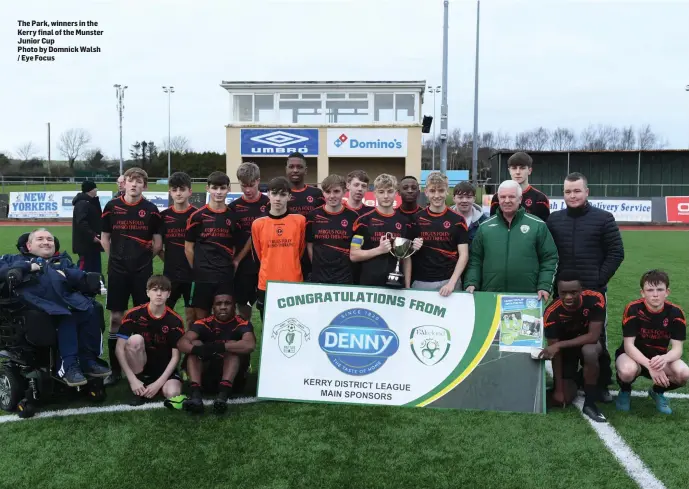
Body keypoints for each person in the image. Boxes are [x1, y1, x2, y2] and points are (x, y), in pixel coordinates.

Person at [547, 172, 624, 401]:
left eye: (577, 190)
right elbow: (548, 254)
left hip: (593, 294)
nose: (573, 195)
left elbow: (616, 253)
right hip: (563, 296)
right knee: (564, 335)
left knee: (597, 341)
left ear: (587, 192)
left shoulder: (604, 218)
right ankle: (565, 379)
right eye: (568, 191)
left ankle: (601, 384)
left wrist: (598, 280)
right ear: (563, 194)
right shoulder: (554, 220)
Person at [0, 228, 110, 386]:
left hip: (62, 303)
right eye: (40, 239)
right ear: (29, 246)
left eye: (49, 239)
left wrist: (86, 280)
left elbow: (80, 278)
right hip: (31, 307)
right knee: (66, 314)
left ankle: (87, 360)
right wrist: (24, 268)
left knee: (91, 309)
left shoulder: (63, 262)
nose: (46, 242)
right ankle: (68, 365)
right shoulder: (14, 259)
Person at [101, 167, 162, 386]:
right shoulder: (112, 207)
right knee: (116, 318)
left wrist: (142, 260)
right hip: (117, 271)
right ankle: (115, 369)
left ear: (144, 186)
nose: (134, 184)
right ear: (123, 183)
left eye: (138, 181)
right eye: (130, 180)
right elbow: (105, 238)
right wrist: (115, 259)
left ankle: (145, 367)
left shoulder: (151, 210)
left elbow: (157, 243)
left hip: (141, 273)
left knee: (142, 318)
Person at [464, 180, 558, 297]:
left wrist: (544, 285)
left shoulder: (538, 225)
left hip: (528, 297)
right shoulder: (485, 227)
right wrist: (472, 282)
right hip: (491, 296)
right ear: (498, 199)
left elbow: (549, 258)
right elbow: (475, 259)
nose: (507, 200)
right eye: (503, 197)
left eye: (511, 197)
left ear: (520, 199)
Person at [615, 270, 689, 415]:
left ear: (667, 292)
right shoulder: (633, 309)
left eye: (660, 289)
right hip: (632, 356)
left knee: (684, 374)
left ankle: (657, 391)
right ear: (642, 292)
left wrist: (663, 359)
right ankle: (625, 390)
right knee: (627, 371)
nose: (655, 294)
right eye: (650, 290)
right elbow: (628, 346)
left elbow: (677, 349)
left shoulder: (676, 313)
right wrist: (649, 365)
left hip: (659, 358)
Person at [539, 271, 607, 423]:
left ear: (581, 290)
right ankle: (579, 378)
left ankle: (590, 404)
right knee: (564, 398)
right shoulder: (551, 313)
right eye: (564, 293)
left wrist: (559, 344)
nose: (568, 297)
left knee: (589, 351)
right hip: (567, 353)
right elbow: (554, 352)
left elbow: (593, 336)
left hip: (592, 346)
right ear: (558, 291)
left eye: (573, 292)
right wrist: (558, 388)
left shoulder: (595, 299)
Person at [176, 289, 257, 414]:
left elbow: (250, 345)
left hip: (234, 383)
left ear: (234, 306)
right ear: (213, 307)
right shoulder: (203, 323)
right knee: (195, 344)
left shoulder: (242, 323)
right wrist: (198, 350)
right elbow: (182, 343)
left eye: (227, 303)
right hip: (206, 378)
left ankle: (222, 398)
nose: (223, 307)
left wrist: (222, 347)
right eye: (219, 304)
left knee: (233, 348)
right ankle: (196, 397)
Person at [115, 275, 185, 406]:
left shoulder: (175, 320)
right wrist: (132, 380)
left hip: (164, 368)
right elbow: (119, 348)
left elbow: (176, 357)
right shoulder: (133, 314)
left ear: (169, 294)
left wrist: (158, 384)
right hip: (142, 365)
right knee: (135, 340)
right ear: (147, 292)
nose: (159, 294)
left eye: (163, 290)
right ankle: (139, 386)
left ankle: (153, 387)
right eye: (154, 289)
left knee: (173, 394)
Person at [350, 174, 422, 288]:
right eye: (381, 192)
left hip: (397, 286)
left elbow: (406, 257)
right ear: (374, 194)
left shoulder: (405, 222)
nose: (386, 196)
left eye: (390, 191)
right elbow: (354, 255)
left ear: (396, 193)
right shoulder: (363, 221)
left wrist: (407, 286)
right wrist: (379, 250)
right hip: (369, 285)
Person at [185, 171, 238, 322]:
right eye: (215, 188)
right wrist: (198, 267)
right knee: (202, 318)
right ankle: (204, 346)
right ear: (207, 188)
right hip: (203, 277)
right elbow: (188, 247)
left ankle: (223, 345)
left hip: (225, 276)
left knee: (225, 317)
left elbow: (234, 245)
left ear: (229, 189)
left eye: (222, 188)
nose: (219, 192)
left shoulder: (233, 217)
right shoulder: (197, 216)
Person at [252, 176, 306, 322]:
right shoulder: (258, 224)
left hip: (293, 282)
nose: (278, 198)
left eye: (282, 195)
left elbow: (300, 251)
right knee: (270, 328)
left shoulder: (299, 221)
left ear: (289, 196)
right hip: (266, 283)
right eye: (274, 193)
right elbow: (258, 255)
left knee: (293, 325)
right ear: (268, 194)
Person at [410, 172, 469, 296]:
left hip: (449, 283)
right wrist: (413, 247)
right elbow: (407, 253)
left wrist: (452, 283)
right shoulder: (416, 218)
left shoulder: (458, 220)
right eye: (432, 191)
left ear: (447, 191)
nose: (437, 195)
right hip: (421, 282)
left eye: (441, 191)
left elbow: (464, 255)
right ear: (426, 192)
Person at [228, 162, 269, 320]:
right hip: (243, 267)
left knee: (266, 306)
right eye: (243, 185)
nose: (247, 190)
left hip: (265, 264)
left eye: (251, 185)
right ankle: (246, 336)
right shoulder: (234, 207)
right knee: (243, 306)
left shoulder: (269, 204)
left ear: (258, 181)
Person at [306, 174, 359, 284]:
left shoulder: (353, 217)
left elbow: (356, 248)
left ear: (344, 192)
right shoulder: (313, 216)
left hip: (344, 277)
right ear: (323, 193)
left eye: (336, 191)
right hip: (319, 277)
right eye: (327, 192)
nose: (331, 196)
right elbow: (309, 243)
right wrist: (316, 265)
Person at [159, 172, 196, 328]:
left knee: (191, 318)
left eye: (182, 189)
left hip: (192, 275)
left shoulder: (197, 215)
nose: (178, 193)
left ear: (190, 191)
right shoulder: (163, 217)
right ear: (170, 192)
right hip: (170, 274)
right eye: (174, 189)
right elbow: (158, 246)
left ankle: (190, 351)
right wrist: (169, 260)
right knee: (164, 315)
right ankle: (166, 349)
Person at [285, 151, 325, 282]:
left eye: (299, 167)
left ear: (305, 170)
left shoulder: (317, 194)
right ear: (286, 169)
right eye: (291, 167)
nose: (295, 170)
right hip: (287, 252)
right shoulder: (279, 195)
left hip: (312, 253)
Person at [490, 152, 550, 222]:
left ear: (529, 171)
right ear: (509, 171)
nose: (518, 172)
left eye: (522, 168)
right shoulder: (497, 197)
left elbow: (544, 228)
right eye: (514, 168)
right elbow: (492, 225)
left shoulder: (540, 199)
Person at [71, 180, 103, 274]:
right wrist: (92, 236)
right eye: (94, 188)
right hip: (86, 244)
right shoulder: (83, 203)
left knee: (94, 269)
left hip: (92, 244)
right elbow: (81, 222)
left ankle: (97, 285)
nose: (96, 190)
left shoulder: (90, 202)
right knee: (85, 269)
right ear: (90, 190)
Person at [451, 181, 487, 248]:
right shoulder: (445, 219)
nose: (464, 200)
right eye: (460, 197)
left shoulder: (484, 221)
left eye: (468, 197)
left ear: (474, 199)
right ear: (454, 198)